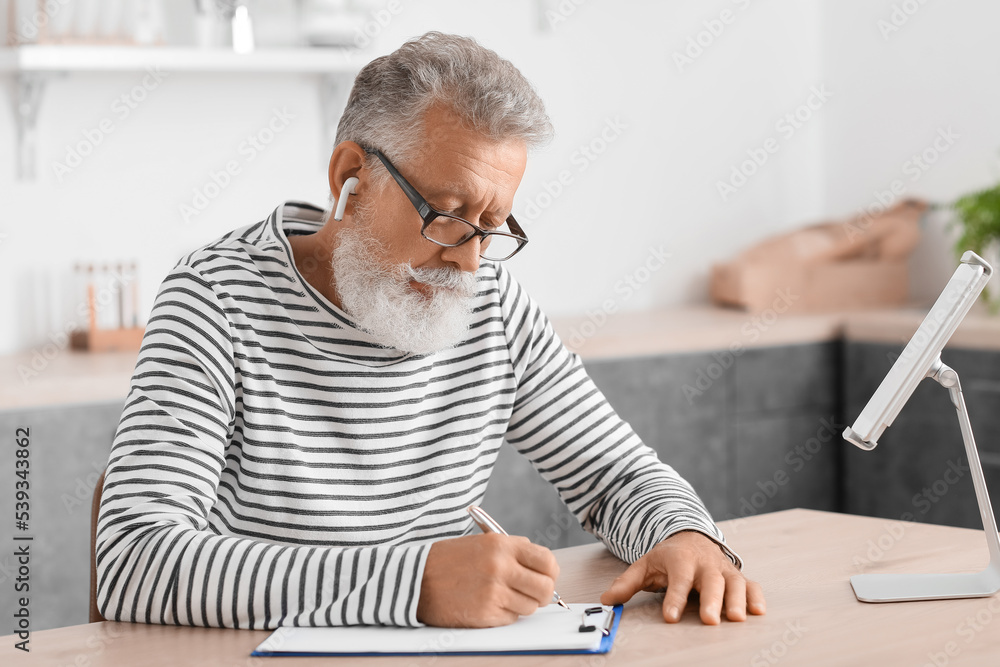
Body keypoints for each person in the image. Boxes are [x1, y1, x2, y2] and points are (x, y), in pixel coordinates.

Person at [96, 31, 765, 630]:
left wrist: (685, 535)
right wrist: (411, 583)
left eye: (490, 228)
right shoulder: (214, 300)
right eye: (445, 215)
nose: (469, 263)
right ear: (351, 178)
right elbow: (134, 562)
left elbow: (615, 474)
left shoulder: (493, 305)